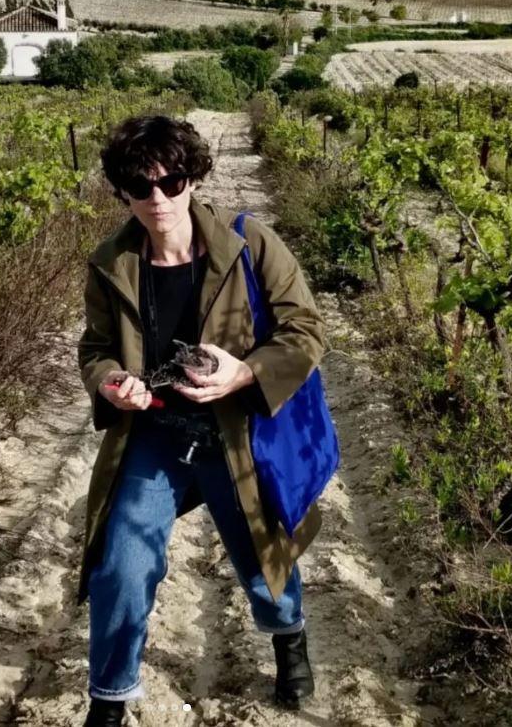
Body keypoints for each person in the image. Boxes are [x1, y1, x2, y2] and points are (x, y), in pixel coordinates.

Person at [77, 115, 327, 727]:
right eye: (141, 187)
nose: (158, 199)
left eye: (172, 182)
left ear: (192, 178)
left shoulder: (249, 243)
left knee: (263, 559)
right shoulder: (111, 263)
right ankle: (109, 699)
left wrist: (245, 373)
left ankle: (287, 637)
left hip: (235, 434)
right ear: (122, 191)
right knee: (122, 563)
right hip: (155, 435)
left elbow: (305, 329)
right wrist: (110, 382)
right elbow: (97, 348)